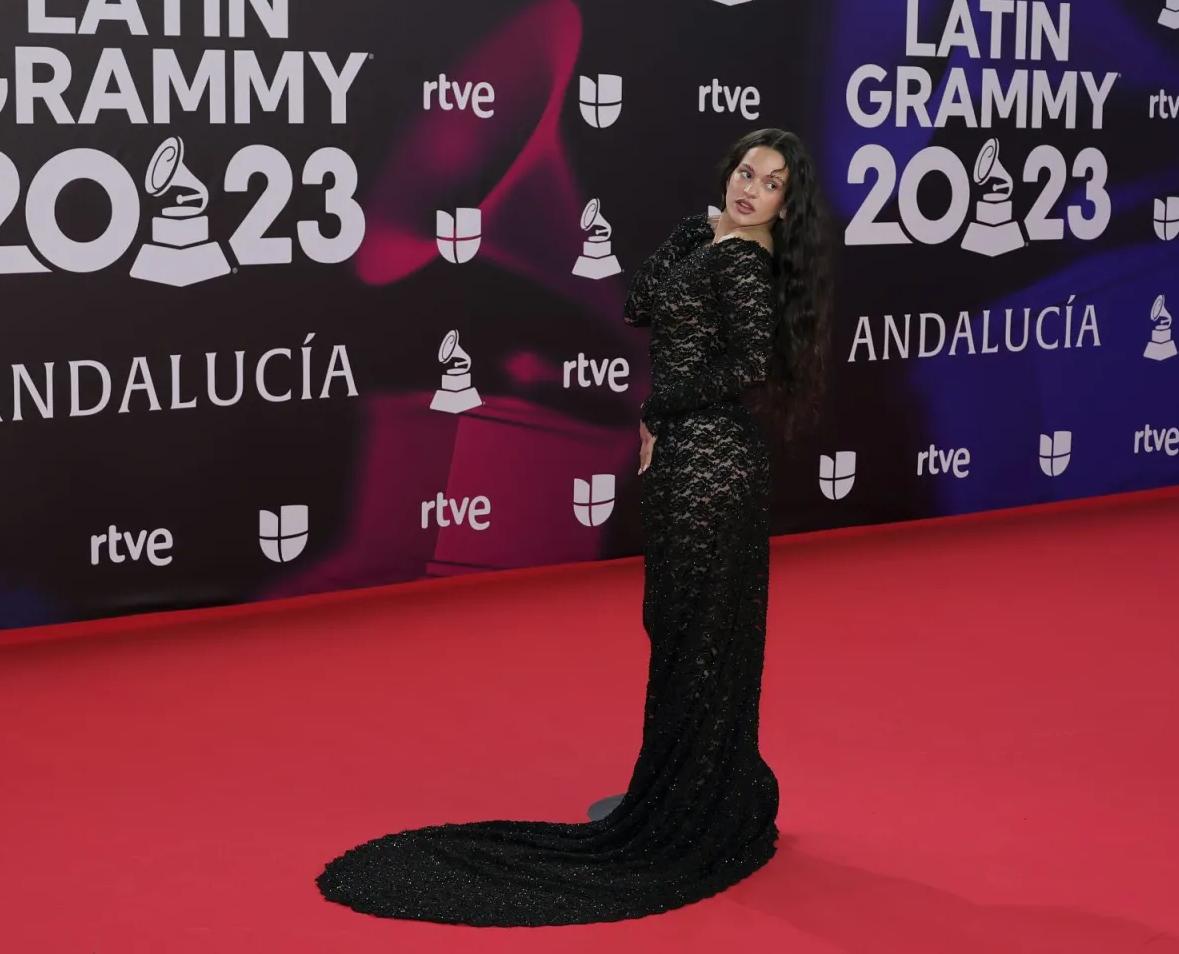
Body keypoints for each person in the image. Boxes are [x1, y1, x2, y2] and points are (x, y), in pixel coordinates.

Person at [315, 128, 833, 926]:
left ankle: (688, 806)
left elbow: (750, 365)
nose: (747, 187)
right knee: (682, 625)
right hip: (693, 465)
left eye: (768, 184)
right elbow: (636, 302)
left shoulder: (742, 262)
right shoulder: (717, 242)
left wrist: (658, 409)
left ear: (785, 207)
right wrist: (698, 227)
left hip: (710, 466)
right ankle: (683, 787)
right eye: (743, 170)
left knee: (695, 631)